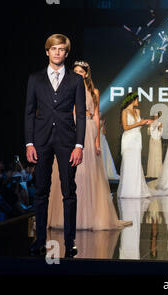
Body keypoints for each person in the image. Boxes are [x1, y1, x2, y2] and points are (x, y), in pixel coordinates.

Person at [48, 61, 131, 233]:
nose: (78, 73)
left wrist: (97, 141)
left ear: (86, 74)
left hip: (88, 128)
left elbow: (95, 116)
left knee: (88, 174)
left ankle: (90, 216)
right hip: (71, 129)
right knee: (72, 172)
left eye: (81, 71)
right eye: (75, 71)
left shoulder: (94, 92)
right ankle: (68, 217)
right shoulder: (66, 88)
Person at [25, 34, 86, 257]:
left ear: (66, 53)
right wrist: (29, 142)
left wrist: (79, 145)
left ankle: (69, 241)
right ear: (47, 51)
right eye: (54, 49)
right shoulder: (35, 78)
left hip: (67, 141)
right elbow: (29, 112)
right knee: (41, 191)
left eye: (61, 49)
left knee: (69, 191)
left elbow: (80, 113)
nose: (57, 52)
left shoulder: (76, 80)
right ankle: (40, 238)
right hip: (40, 142)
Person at [117, 92, 157, 198]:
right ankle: (127, 191)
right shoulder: (124, 111)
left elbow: (138, 127)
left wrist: (145, 123)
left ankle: (136, 190)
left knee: (136, 163)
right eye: (137, 99)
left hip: (137, 139)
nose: (138, 102)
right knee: (128, 163)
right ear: (133, 100)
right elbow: (125, 127)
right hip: (128, 139)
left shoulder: (137, 111)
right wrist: (139, 123)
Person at [99, 113, 120, 180]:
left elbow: (104, 132)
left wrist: (104, 124)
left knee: (105, 155)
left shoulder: (101, 122)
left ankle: (107, 172)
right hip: (98, 139)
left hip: (103, 139)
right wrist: (101, 124)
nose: (100, 115)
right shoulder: (94, 121)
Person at [146, 112, 163, 178]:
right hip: (152, 140)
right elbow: (148, 133)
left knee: (157, 156)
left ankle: (158, 173)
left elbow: (161, 133)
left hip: (157, 140)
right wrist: (149, 127)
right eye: (154, 116)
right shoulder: (151, 122)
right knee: (152, 155)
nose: (155, 117)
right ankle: (151, 173)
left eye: (156, 116)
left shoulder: (160, 123)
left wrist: (160, 128)